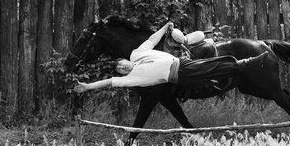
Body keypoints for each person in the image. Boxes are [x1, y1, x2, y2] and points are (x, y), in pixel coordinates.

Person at [73, 21, 268, 93]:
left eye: (121, 65)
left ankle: (243, 64)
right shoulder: (132, 79)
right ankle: (247, 63)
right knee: (212, 68)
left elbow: (151, 39)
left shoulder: (136, 54)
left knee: (213, 64)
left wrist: (165, 27)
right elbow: (108, 82)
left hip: (180, 61)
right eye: (120, 70)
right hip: (179, 73)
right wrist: (87, 86)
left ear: (124, 60)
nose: (122, 68)